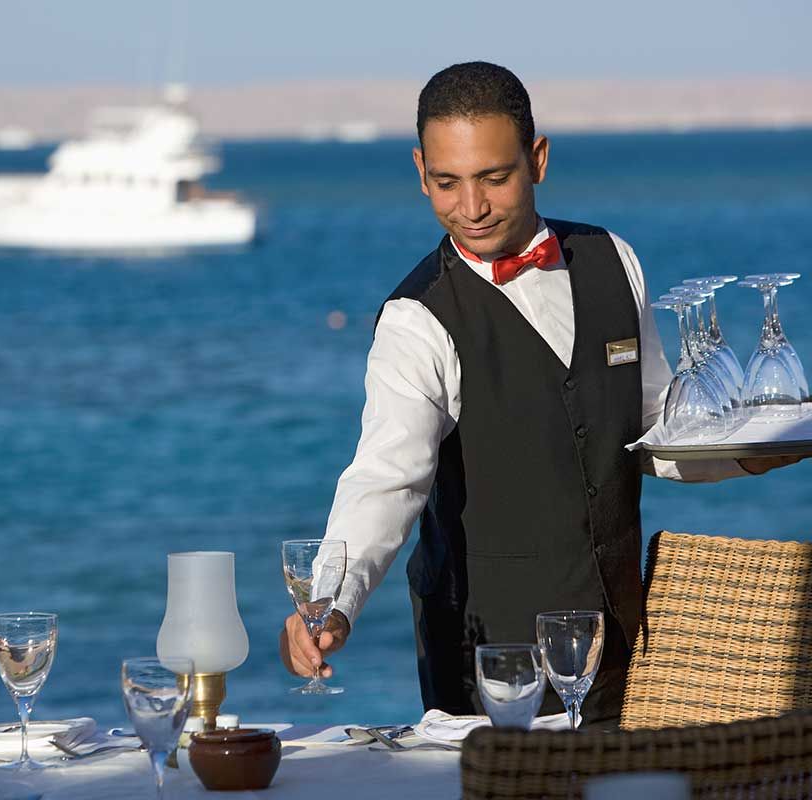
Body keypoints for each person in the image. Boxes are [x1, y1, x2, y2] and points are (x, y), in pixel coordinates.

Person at [278, 61, 801, 724]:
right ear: (420, 172)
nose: (471, 208)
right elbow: (386, 479)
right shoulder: (418, 319)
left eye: (494, 178)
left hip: (619, 647)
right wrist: (334, 604)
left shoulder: (614, 260)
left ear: (538, 159)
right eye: (447, 182)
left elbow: (653, 431)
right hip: (490, 664)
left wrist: (752, 452)